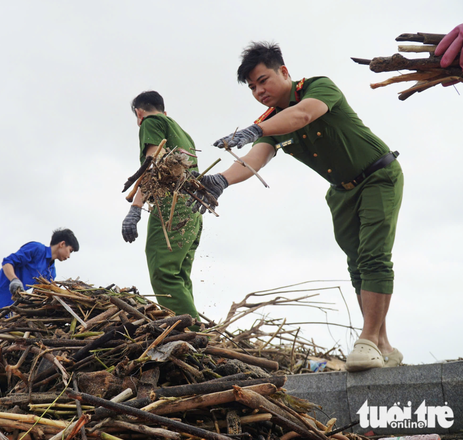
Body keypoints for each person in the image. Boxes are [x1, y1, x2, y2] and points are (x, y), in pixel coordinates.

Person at [193, 42, 404, 372]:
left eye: (263, 80)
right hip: (341, 192)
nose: (259, 90)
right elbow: (254, 158)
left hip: (377, 175)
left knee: (373, 256)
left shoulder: (318, 87)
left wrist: (256, 129)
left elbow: (304, 114)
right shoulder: (269, 121)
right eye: (252, 87)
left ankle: (367, 342)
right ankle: (384, 345)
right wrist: (221, 180)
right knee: (357, 266)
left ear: (284, 72)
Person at [122, 91, 203, 322]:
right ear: (165, 111)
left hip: (172, 206)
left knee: (163, 273)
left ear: (139, 113)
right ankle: (196, 331)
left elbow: (153, 163)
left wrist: (136, 208)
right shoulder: (183, 133)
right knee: (179, 275)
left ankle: (191, 335)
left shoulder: (151, 121)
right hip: (193, 209)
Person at [0, 228, 79, 330]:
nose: (69, 256)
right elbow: (7, 262)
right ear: (62, 244)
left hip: (10, 307)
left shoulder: (51, 272)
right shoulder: (37, 249)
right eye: (70, 250)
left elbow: (37, 294)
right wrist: (14, 280)